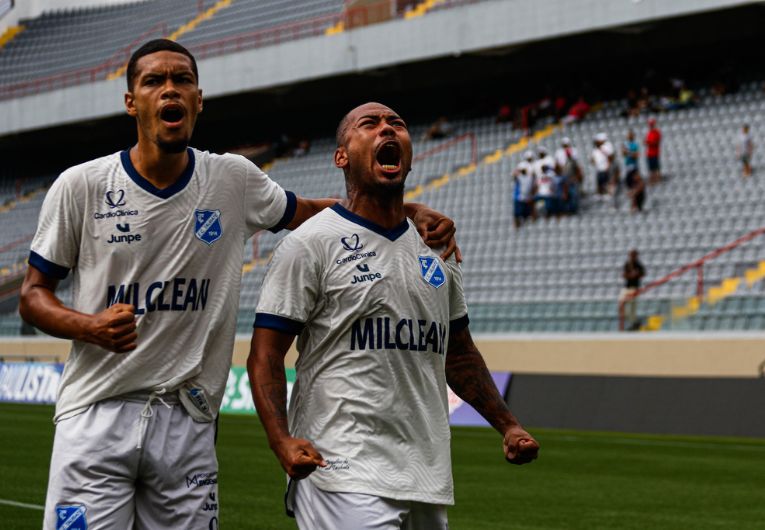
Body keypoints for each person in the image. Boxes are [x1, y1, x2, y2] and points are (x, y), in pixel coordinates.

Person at [19, 40, 457, 530]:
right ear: (131, 102)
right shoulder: (81, 185)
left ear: (198, 100)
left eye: (182, 80)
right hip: (97, 410)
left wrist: (405, 210)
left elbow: (313, 213)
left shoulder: (231, 178)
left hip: (188, 420)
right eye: (154, 81)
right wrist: (90, 325)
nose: (170, 90)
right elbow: (33, 296)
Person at [247, 102, 539, 529]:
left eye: (397, 124)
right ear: (341, 156)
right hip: (340, 468)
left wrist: (508, 425)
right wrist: (281, 439)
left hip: (425, 472)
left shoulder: (437, 248)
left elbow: (457, 354)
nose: (388, 129)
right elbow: (266, 354)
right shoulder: (311, 243)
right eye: (371, 124)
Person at [555, 137, 582, 214]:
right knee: (563, 196)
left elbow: (577, 170)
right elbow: (557, 168)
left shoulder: (573, 161)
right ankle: (565, 210)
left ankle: (573, 210)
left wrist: (576, 178)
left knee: (573, 195)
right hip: (564, 179)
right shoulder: (561, 159)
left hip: (571, 179)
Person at [620, 249, 646, 331]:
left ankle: (633, 323)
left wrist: (636, 274)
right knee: (621, 303)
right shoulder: (627, 264)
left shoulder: (638, 264)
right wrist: (630, 275)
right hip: (626, 287)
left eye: (633, 255)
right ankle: (627, 324)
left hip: (634, 287)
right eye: (631, 254)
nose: (632, 256)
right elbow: (624, 275)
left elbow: (643, 273)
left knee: (632, 306)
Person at [622, 130, 646, 212]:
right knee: (630, 186)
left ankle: (635, 204)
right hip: (628, 167)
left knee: (635, 185)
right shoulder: (625, 144)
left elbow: (635, 155)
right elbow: (623, 153)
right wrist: (628, 152)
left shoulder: (634, 145)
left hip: (634, 167)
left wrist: (628, 152)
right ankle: (633, 204)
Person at [512, 151, 536, 228]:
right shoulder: (522, 167)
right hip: (520, 197)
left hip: (528, 197)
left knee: (527, 216)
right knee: (518, 215)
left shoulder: (532, 168)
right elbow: (514, 175)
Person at [645, 117, 662, 185]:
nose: (650, 125)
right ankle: (653, 181)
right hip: (649, 153)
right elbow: (647, 142)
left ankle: (658, 181)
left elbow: (656, 143)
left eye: (651, 124)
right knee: (651, 169)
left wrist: (649, 142)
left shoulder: (657, 132)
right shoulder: (649, 133)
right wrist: (648, 142)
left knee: (656, 168)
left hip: (655, 153)